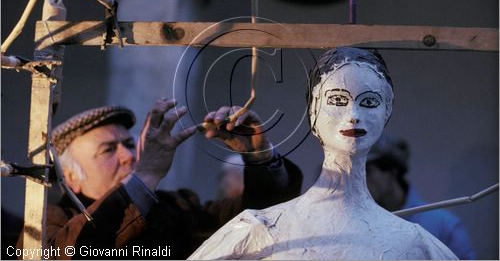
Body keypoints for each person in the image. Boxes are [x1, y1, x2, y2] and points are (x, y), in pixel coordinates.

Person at [189, 47, 458, 260]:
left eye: (369, 102)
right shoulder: (259, 228)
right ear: (313, 110)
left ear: (387, 110)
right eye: (338, 101)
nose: (353, 116)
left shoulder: (417, 244)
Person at [17, 99, 302, 259]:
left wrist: (258, 157)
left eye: (129, 144)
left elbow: (261, 220)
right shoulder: (47, 223)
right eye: (108, 150)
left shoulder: (174, 208)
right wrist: (145, 176)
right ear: (71, 178)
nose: (128, 156)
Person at [366, 134, 476, 259]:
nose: (362, 180)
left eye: (368, 171)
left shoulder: (445, 226)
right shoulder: (362, 227)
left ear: (392, 171)